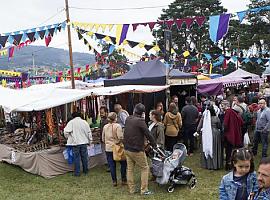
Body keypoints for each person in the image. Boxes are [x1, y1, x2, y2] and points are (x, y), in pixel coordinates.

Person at [123, 103, 156, 195]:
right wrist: (154, 145)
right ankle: (144, 190)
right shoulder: (140, 121)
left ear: (134, 110)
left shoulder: (128, 118)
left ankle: (131, 189)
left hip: (127, 148)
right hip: (136, 149)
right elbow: (148, 134)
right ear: (143, 113)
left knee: (129, 169)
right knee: (145, 168)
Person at [64, 112, 92, 176]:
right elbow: (89, 132)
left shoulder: (71, 122)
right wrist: (90, 141)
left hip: (75, 143)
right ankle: (86, 170)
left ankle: (77, 172)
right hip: (84, 142)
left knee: (77, 158)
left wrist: (68, 137)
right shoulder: (85, 122)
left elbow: (66, 132)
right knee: (84, 157)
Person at [102, 112, 127, 187]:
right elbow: (120, 137)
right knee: (123, 163)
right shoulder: (118, 126)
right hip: (117, 147)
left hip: (108, 148)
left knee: (112, 165)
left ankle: (114, 181)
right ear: (115, 118)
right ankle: (123, 179)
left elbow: (103, 138)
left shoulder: (105, 126)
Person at [197, 105, 223, 170]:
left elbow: (199, 127)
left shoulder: (204, 118)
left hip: (206, 134)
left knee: (207, 148)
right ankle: (215, 164)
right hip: (215, 134)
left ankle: (207, 164)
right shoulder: (216, 118)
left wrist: (198, 131)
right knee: (214, 149)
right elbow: (220, 126)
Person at [221, 100, 244, 170]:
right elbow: (241, 122)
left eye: (222, 106)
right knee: (231, 151)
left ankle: (228, 166)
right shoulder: (234, 112)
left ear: (225, 105)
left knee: (228, 151)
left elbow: (225, 124)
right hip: (234, 134)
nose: (221, 107)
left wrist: (223, 131)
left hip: (229, 135)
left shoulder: (228, 112)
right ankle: (232, 165)